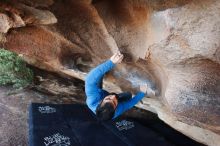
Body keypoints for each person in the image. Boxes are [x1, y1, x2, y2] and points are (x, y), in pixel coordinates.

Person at [85, 51, 149, 121]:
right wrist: (142, 92)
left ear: (100, 102)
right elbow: (130, 103)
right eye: (114, 102)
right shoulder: (117, 111)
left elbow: (89, 80)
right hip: (103, 96)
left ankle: (103, 74)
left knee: (98, 77)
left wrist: (111, 62)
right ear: (115, 108)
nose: (113, 97)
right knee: (127, 95)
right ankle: (112, 99)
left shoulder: (92, 99)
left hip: (98, 93)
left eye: (109, 99)